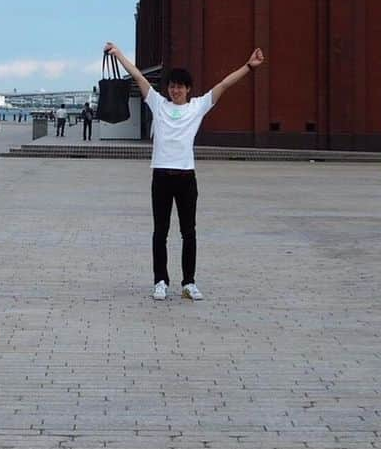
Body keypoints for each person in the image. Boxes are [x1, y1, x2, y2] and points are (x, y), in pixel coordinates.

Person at [104, 40, 265, 301]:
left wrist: (249, 66)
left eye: (179, 86)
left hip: (186, 178)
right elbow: (136, 74)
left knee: (188, 232)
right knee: (160, 231)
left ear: (188, 89)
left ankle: (188, 283)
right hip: (161, 177)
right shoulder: (158, 104)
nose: (175, 90)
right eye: (172, 86)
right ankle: (160, 281)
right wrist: (118, 53)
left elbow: (224, 84)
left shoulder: (197, 107)